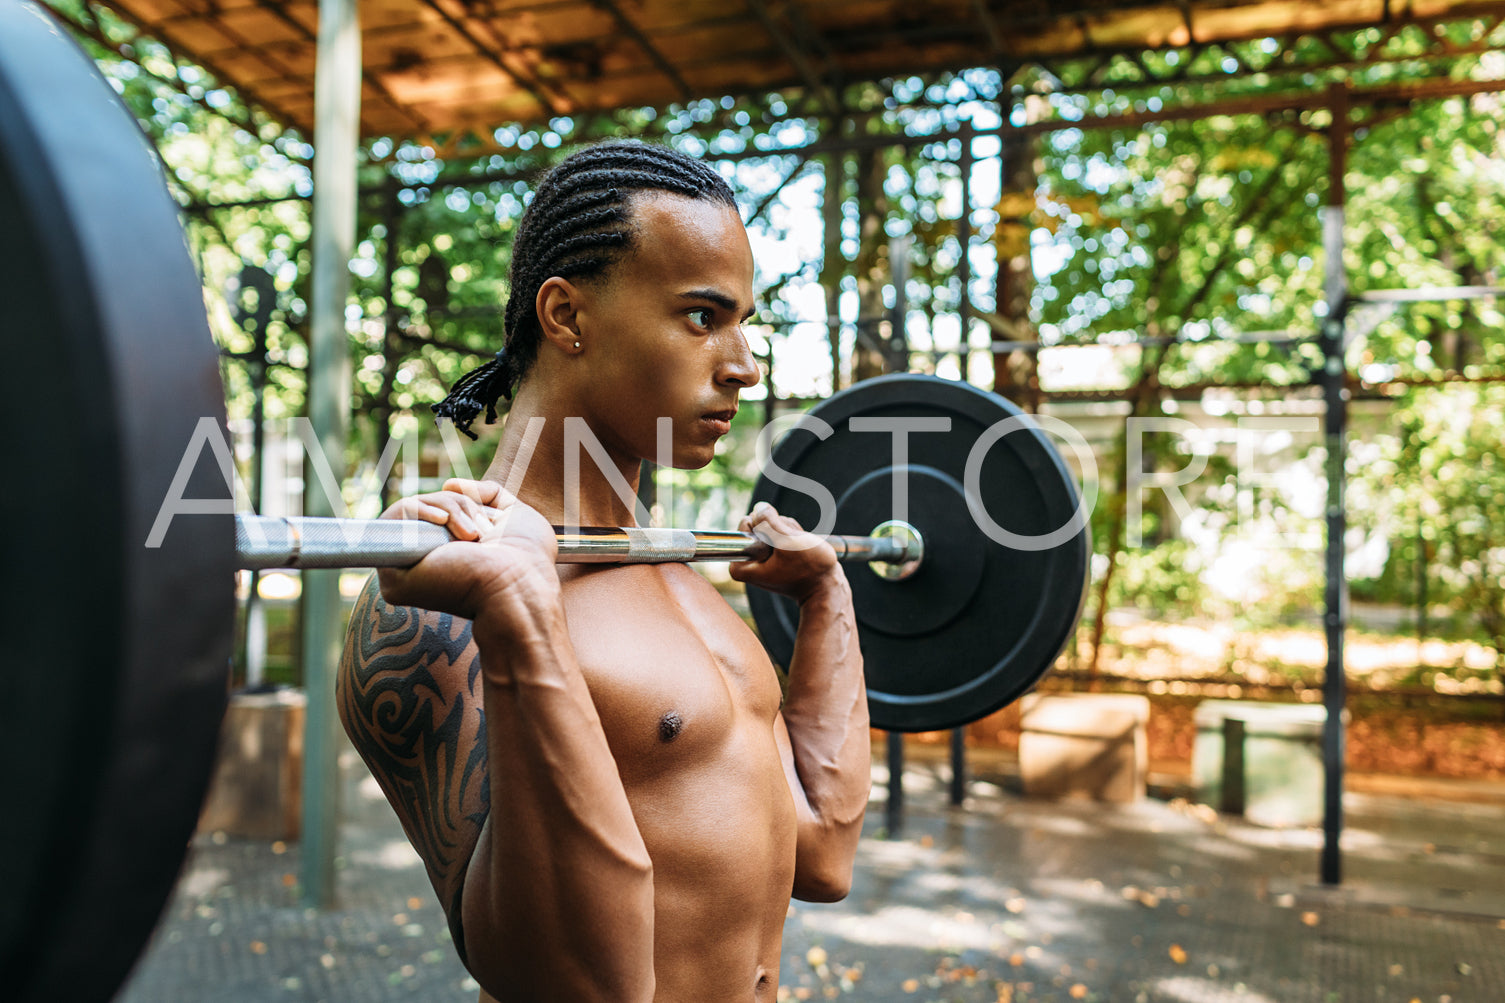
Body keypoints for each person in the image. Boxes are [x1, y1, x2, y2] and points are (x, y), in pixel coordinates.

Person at [337, 140, 870, 1002]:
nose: (742, 362)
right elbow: (579, 980)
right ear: (566, 316)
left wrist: (826, 601)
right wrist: (518, 613)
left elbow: (822, 852)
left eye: (742, 321)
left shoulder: (684, 577)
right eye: (702, 316)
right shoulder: (433, 602)